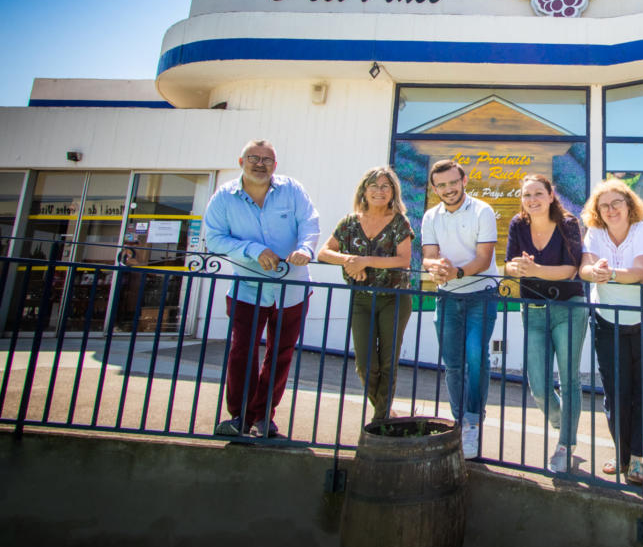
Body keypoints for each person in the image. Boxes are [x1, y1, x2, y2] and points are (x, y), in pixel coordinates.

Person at [203, 139, 319, 438]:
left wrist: (306, 247)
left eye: (267, 159)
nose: (260, 163)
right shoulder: (224, 197)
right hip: (247, 289)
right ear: (240, 161)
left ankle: (263, 415)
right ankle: (240, 416)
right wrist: (252, 250)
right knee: (242, 351)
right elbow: (214, 239)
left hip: (291, 289)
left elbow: (309, 221)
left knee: (280, 353)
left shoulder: (292, 189)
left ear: (275, 165)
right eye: (253, 157)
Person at [579, 178, 643, 485]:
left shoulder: (641, 230)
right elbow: (585, 268)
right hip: (608, 320)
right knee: (615, 390)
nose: (610, 209)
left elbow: (641, 272)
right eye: (603, 205)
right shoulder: (594, 233)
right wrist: (594, 271)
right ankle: (622, 454)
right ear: (597, 211)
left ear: (629, 205)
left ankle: (639, 458)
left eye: (616, 203)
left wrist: (609, 273)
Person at [318, 166, 414, 423]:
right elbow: (324, 253)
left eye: (385, 186)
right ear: (364, 190)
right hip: (361, 298)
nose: (379, 191)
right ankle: (385, 412)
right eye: (374, 186)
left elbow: (404, 260)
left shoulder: (399, 222)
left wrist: (364, 261)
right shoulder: (349, 222)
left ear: (393, 191)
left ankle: (380, 420)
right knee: (365, 365)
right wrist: (350, 260)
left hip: (394, 298)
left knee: (388, 361)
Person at [504, 174, 586, 474]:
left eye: (538, 193)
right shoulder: (518, 224)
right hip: (534, 310)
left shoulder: (568, 224)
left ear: (551, 195)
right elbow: (508, 265)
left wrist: (534, 269)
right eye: (527, 195)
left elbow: (570, 271)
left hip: (569, 308)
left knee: (569, 379)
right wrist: (518, 267)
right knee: (538, 385)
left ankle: (565, 443)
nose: (532, 200)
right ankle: (562, 421)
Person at [421, 159, 501, 460]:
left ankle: (472, 421)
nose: (448, 189)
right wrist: (435, 266)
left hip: (481, 295)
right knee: (453, 363)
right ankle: (458, 420)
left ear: (463, 180)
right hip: (446, 297)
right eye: (441, 185)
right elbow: (427, 256)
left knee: (475, 358)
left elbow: (483, 258)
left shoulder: (482, 211)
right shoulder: (431, 216)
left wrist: (455, 273)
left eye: (453, 182)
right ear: (434, 188)